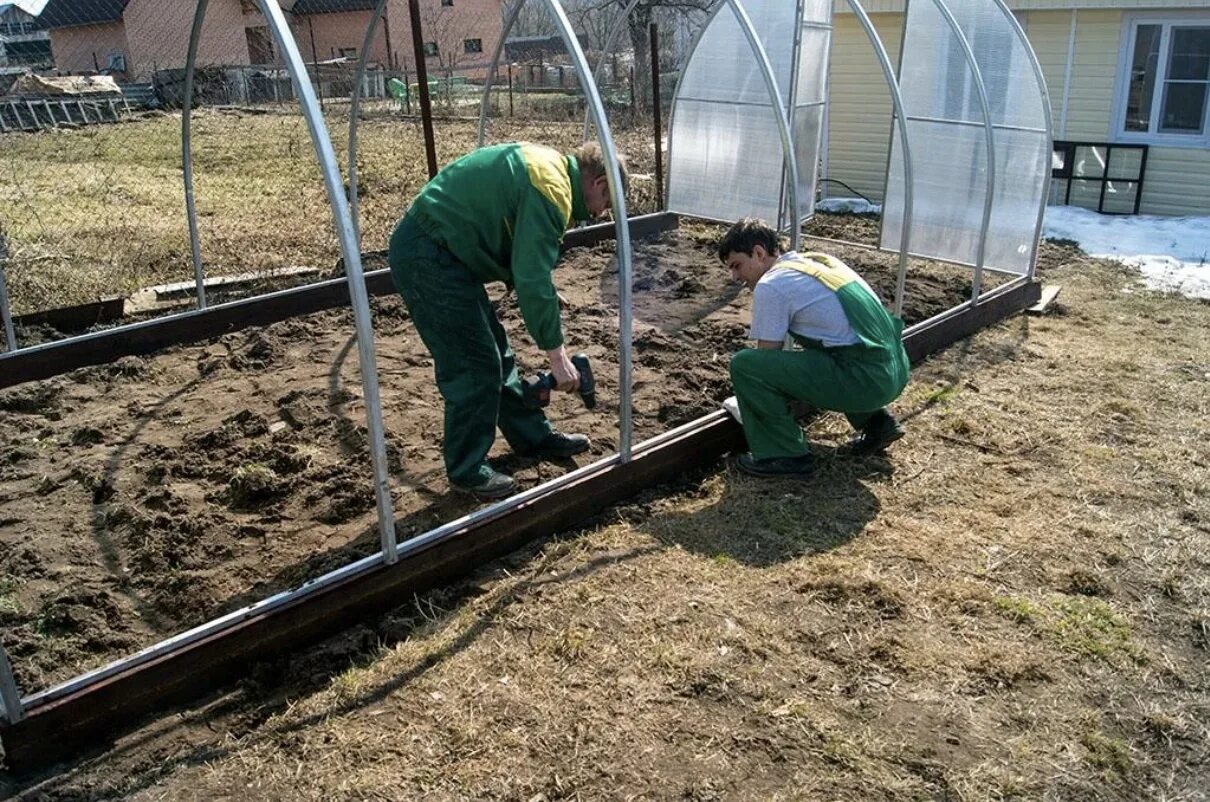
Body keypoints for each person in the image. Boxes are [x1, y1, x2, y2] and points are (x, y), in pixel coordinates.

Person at [388, 141, 626, 499]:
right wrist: (557, 358)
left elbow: (517, 238)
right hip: (430, 253)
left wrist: (534, 283)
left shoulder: (552, 171)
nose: (603, 213)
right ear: (599, 182)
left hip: (448, 251)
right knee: (475, 365)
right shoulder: (553, 190)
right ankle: (467, 472)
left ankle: (533, 437)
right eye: (608, 203)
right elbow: (532, 275)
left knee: (498, 354)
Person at [718, 218, 910, 479]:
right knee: (832, 347)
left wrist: (745, 403)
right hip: (894, 367)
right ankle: (878, 424)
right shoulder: (816, 262)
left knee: (746, 366)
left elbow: (766, 359)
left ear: (759, 253)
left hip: (866, 380)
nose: (735, 277)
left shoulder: (771, 284)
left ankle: (783, 454)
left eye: (737, 266)